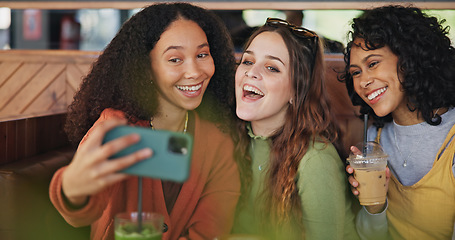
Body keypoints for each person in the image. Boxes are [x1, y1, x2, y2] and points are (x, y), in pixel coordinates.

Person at [49, 3, 240, 240]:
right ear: (146, 68)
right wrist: (70, 190)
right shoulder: (116, 127)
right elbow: (79, 212)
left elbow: (210, 231)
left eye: (202, 55)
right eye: (175, 59)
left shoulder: (218, 142)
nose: (194, 72)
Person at [231, 17, 359, 240]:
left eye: (272, 68)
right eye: (247, 61)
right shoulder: (234, 139)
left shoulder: (315, 159)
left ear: (296, 91)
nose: (251, 73)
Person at [340, 5, 455, 239]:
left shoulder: (451, 139)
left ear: (408, 58)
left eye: (372, 64)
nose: (363, 81)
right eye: (355, 72)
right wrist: (375, 207)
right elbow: (370, 236)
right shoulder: (374, 138)